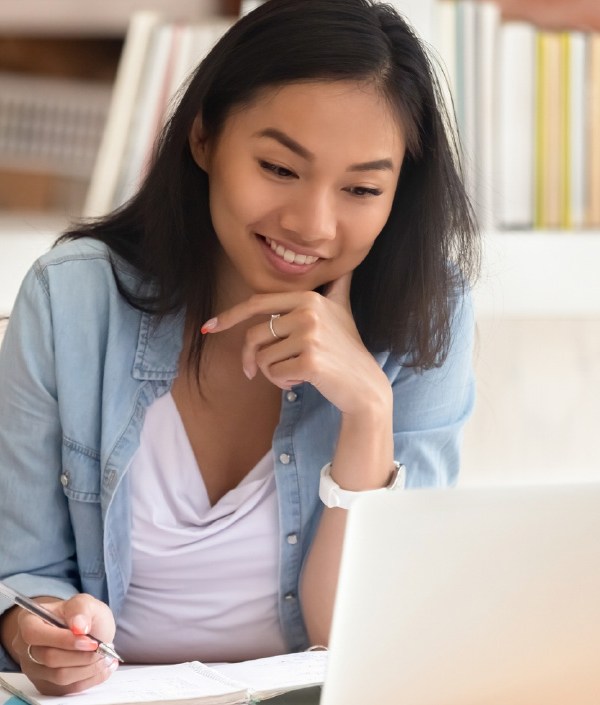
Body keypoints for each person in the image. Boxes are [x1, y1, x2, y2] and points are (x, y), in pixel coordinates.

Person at [0, 0, 479, 695]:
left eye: (362, 187)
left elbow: (360, 637)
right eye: (280, 168)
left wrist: (368, 411)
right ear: (204, 139)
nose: (313, 223)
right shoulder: (73, 301)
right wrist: (42, 631)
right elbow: (21, 573)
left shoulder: (428, 313)